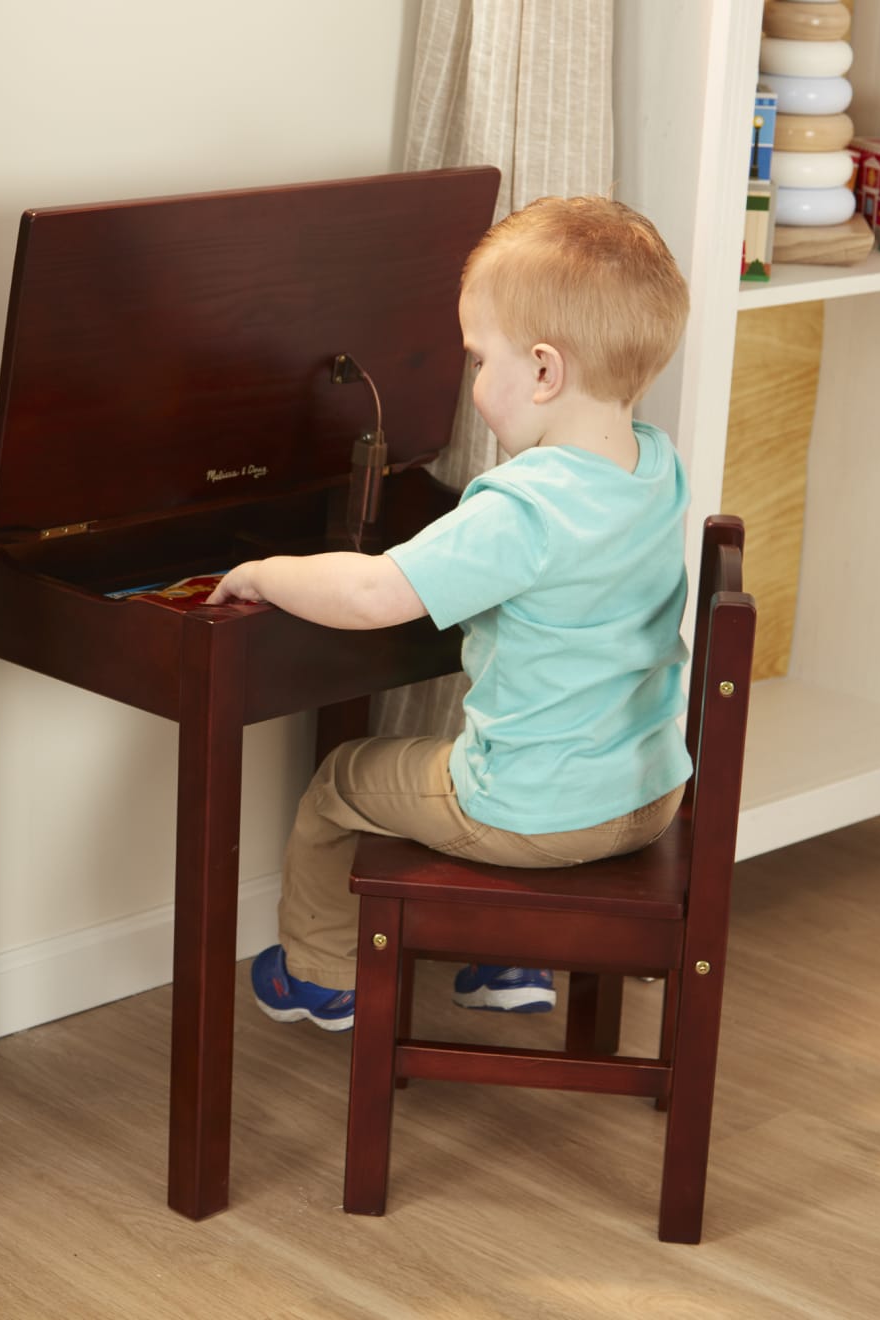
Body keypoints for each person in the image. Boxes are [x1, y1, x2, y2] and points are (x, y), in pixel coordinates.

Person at [205, 195, 693, 1031]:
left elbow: (375, 594)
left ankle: (319, 974)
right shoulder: (654, 466)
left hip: (540, 813)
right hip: (648, 793)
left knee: (342, 782)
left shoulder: (523, 506)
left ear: (543, 372)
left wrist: (268, 572)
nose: (471, 381)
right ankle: (508, 956)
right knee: (467, 754)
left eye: (477, 358)